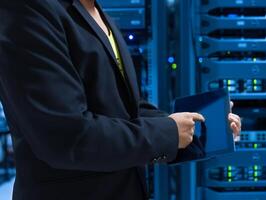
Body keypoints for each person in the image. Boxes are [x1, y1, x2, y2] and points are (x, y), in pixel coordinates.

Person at [0, 0, 241, 199]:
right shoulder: (28, 9)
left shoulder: (96, 12)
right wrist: (168, 132)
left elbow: (126, 109)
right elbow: (66, 137)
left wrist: (199, 127)